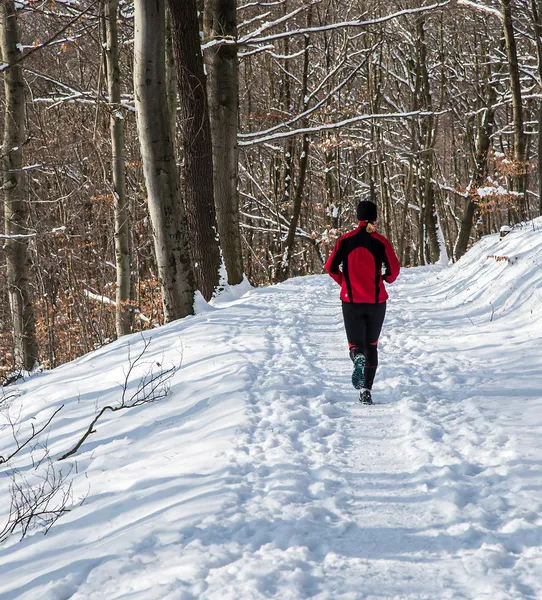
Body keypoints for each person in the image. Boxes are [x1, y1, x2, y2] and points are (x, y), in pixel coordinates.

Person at [325, 200, 400, 405]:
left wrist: (344, 282)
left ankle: (357, 357)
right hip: (376, 302)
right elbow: (393, 272)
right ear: (375, 218)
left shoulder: (345, 241)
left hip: (351, 302)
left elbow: (330, 267)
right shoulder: (381, 242)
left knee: (356, 345)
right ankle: (366, 390)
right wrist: (384, 279)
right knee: (372, 346)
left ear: (357, 217)